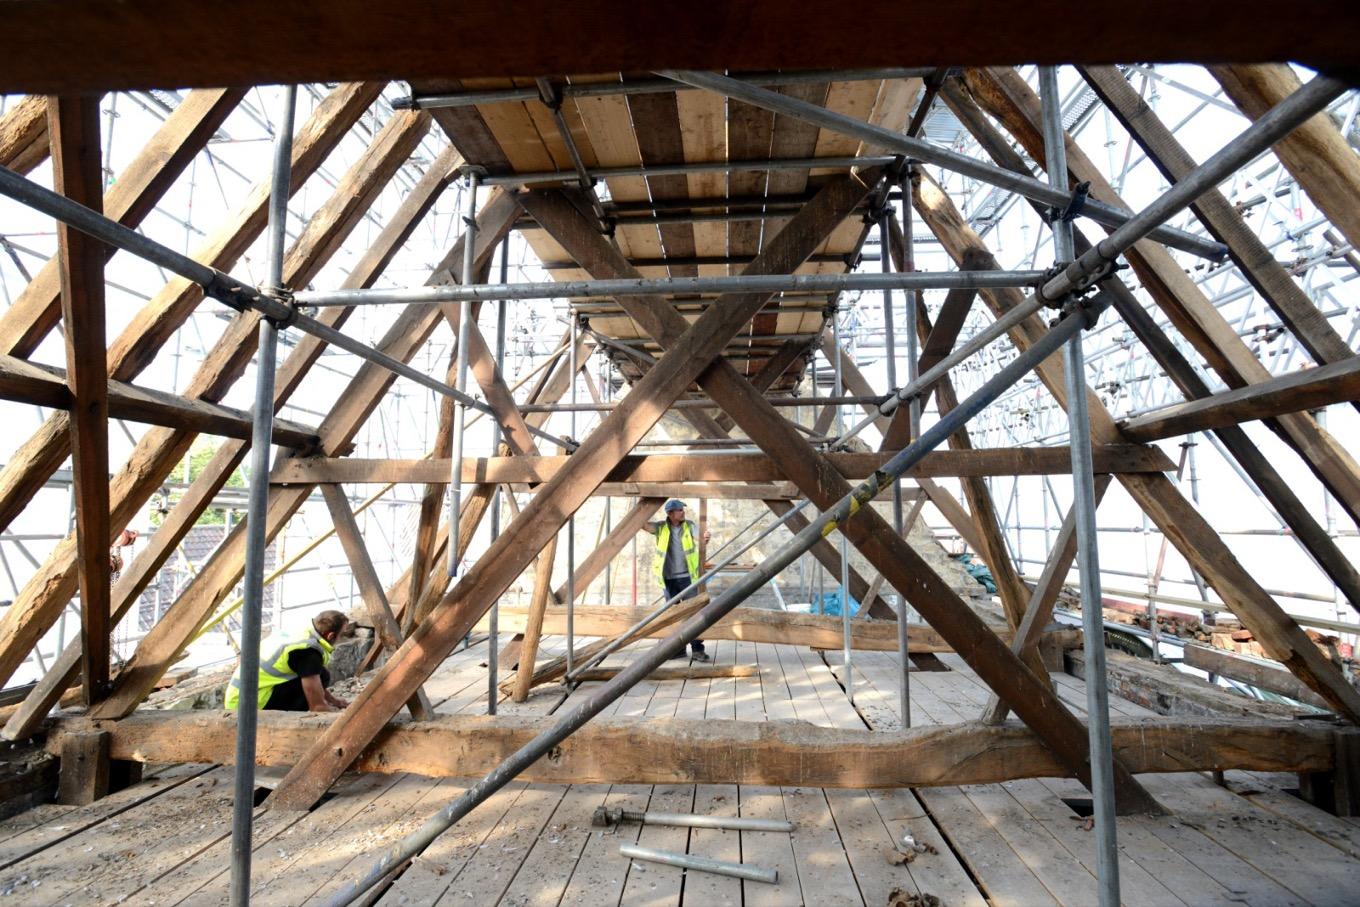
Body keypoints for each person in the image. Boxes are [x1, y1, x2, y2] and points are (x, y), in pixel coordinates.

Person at [224, 610, 355, 712]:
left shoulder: (302, 635)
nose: (342, 636)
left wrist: (334, 701)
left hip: (243, 696)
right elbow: (317, 705)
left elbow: (315, 683)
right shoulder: (308, 652)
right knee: (321, 676)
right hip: (248, 706)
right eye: (342, 633)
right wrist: (327, 711)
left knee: (321, 674)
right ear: (330, 636)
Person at [643, 499, 711, 662]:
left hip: (687, 578)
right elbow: (643, 525)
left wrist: (705, 537)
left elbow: (700, 536)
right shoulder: (660, 528)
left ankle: (697, 650)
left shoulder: (689, 525)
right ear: (670, 514)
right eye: (679, 510)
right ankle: (678, 649)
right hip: (668, 580)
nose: (683, 512)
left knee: (694, 614)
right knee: (673, 616)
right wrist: (644, 504)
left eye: (682, 509)